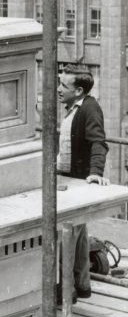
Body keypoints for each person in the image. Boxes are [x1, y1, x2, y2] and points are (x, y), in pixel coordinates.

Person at [57, 67, 109, 302]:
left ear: (78, 91)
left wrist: (96, 172)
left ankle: (65, 290)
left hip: (77, 181)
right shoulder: (73, 108)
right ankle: (81, 285)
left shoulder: (89, 108)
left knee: (67, 236)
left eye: (63, 86)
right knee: (77, 234)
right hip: (67, 177)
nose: (58, 89)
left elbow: (98, 142)